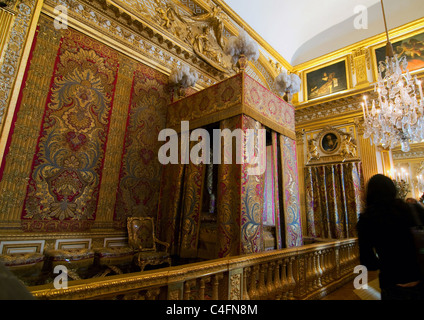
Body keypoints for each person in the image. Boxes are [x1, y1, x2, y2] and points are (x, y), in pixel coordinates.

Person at [357, 174, 424, 300]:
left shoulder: (366, 220)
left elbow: (368, 262)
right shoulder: (413, 209)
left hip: (391, 284)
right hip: (419, 277)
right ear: (393, 189)